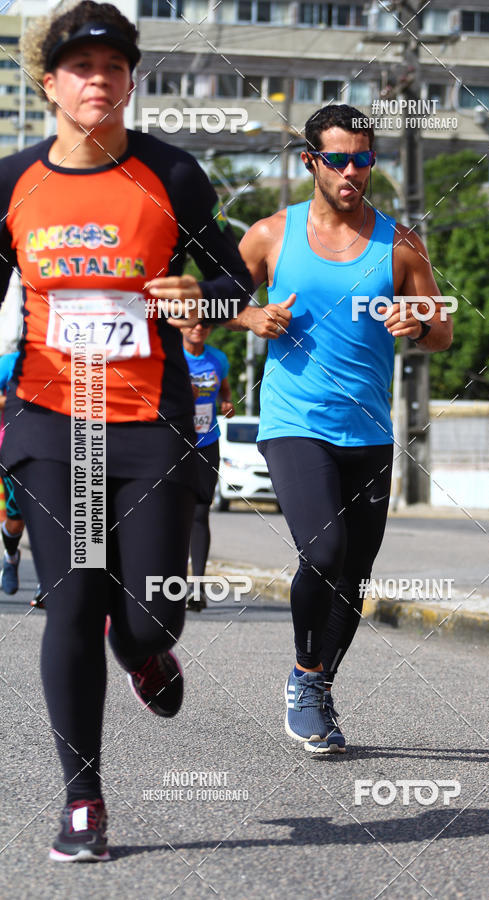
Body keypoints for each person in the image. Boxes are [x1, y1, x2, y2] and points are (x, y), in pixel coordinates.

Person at [0, 1, 252, 861]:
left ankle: (143, 653)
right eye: (81, 68)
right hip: (49, 418)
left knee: (148, 616)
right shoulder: (12, 184)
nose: (98, 80)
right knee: (71, 599)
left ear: (131, 80)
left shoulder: (173, 175)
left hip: (150, 420)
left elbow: (229, 287)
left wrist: (200, 299)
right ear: (51, 86)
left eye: (113, 67)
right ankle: (83, 801)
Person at [232, 104, 452, 753]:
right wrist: (250, 318)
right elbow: (218, 299)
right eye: (337, 159)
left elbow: (441, 327)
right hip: (294, 422)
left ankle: (320, 686)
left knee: (353, 574)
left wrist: (417, 328)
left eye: (362, 158)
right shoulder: (272, 234)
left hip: (370, 433)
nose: (351, 171)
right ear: (310, 162)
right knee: (322, 553)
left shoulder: (400, 243)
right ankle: (304, 678)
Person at [182, 321, 234, 611]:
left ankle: (197, 589)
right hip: (173, 442)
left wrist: (227, 403)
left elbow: (225, 391)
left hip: (206, 441)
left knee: (200, 513)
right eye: (191, 322)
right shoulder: (171, 355)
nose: (198, 327)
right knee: (171, 513)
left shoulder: (218, 359)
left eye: (204, 322)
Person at [0, 350, 25, 595]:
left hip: (61, 449)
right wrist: (19, 400)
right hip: (13, 449)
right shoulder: (10, 362)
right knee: (17, 520)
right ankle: (10, 557)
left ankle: (47, 584)